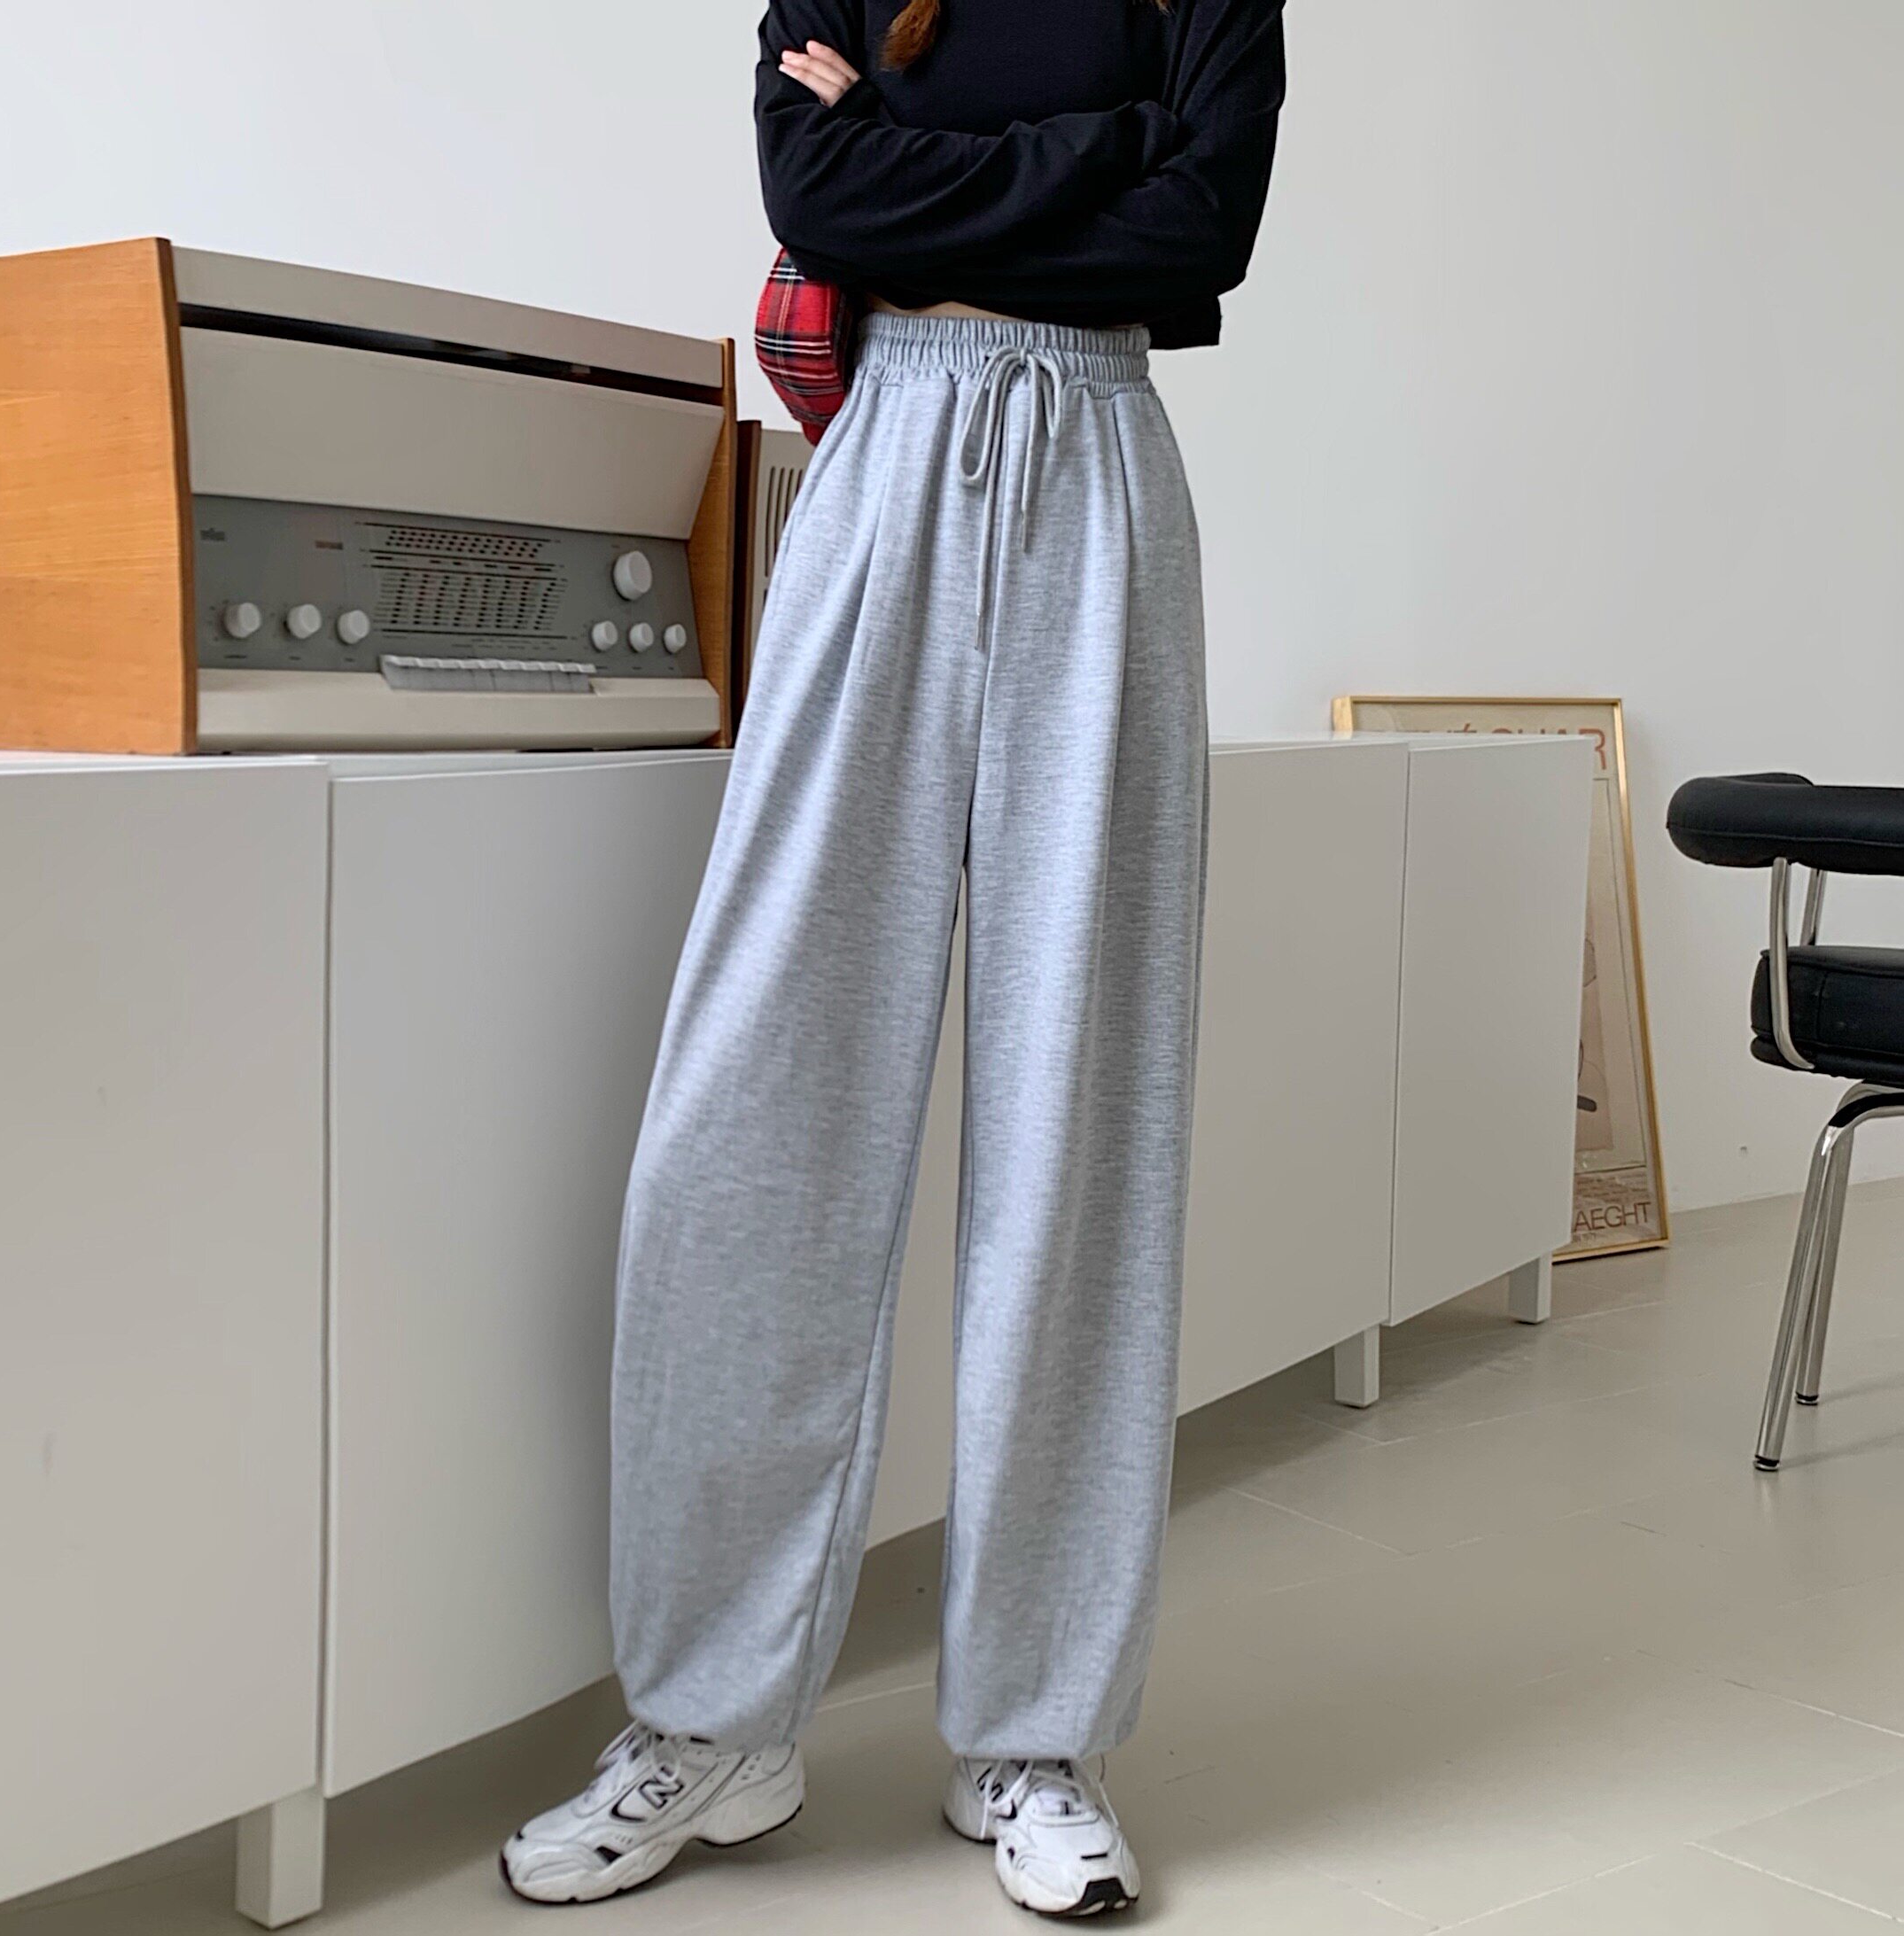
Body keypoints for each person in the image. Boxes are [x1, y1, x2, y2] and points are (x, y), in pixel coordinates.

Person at [503, 0, 1286, 1917]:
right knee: (752, 1104)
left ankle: (1036, 1732)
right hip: (883, 461)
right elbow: (818, 196)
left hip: (1101, 464)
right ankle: (710, 1714)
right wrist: (1102, 147)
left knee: (1079, 1126)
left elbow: (1203, 232)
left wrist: (924, 172)